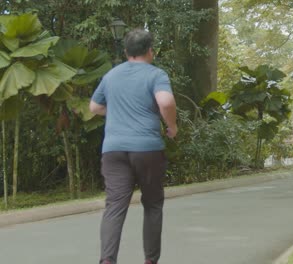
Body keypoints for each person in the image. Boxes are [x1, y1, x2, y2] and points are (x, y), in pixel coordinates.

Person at [89, 28, 177, 264]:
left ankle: (107, 261)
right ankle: (150, 260)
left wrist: (116, 112)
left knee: (115, 206)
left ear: (126, 51)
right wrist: (172, 126)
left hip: (113, 150)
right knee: (152, 203)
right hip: (147, 149)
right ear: (151, 51)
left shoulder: (110, 76)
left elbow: (94, 108)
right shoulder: (155, 74)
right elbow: (166, 101)